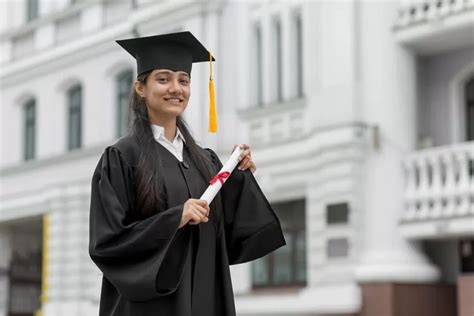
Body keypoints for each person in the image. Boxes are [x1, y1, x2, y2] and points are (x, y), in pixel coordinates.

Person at [88, 31, 285, 316]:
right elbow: (107, 243)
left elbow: (232, 233)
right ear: (141, 88)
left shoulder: (205, 160)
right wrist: (174, 219)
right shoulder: (122, 157)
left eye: (184, 80)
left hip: (205, 298)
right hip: (150, 306)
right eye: (164, 79)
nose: (176, 88)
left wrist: (238, 175)